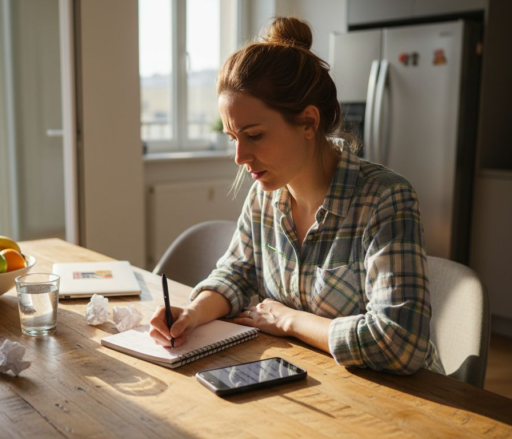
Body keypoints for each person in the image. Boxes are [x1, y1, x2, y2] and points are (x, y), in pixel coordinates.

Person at [149, 17, 444, 375]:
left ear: (308, 123)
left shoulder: (385, 199)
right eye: (232, 138)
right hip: (312, 379)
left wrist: (290, 321)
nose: (240, 157)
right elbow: (237, 275)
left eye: (254, 135)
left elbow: (400, 343)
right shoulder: (264, 196)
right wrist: (192, 314)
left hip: (403, 401)